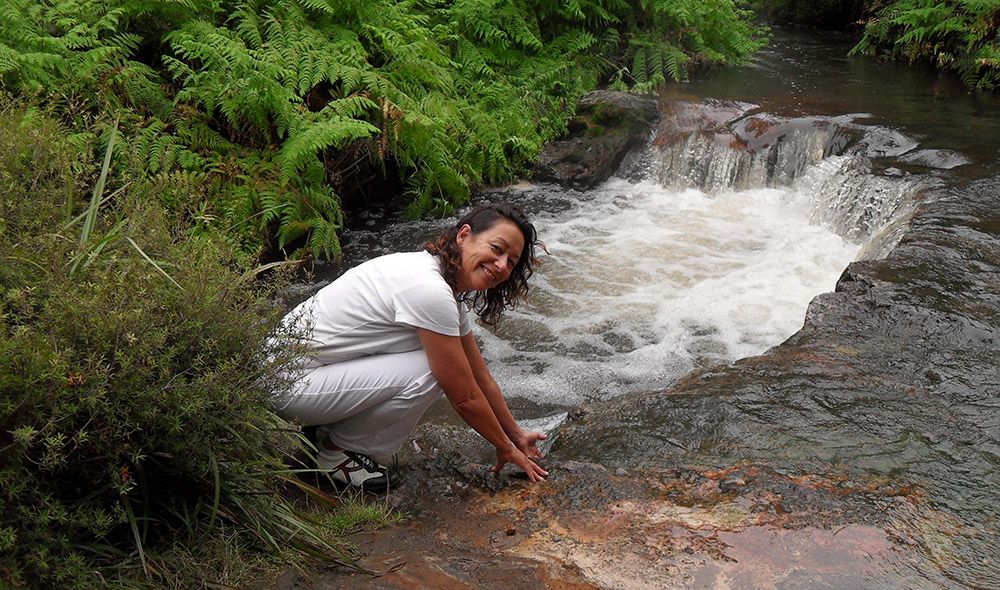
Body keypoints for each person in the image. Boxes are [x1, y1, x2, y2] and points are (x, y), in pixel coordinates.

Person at [273, 202, 549, 491]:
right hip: (288, 387)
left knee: (446, 363)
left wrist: (516, 435)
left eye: (512, 261)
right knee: (434, 370)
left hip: (293, 377)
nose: (502, 265)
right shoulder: (429, 290)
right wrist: (503, 446)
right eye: (497, 248)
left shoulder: (436, 281)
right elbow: (465, 395)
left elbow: (481, 376)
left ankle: (324, 432)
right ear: (464, 235)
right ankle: (338, 454)